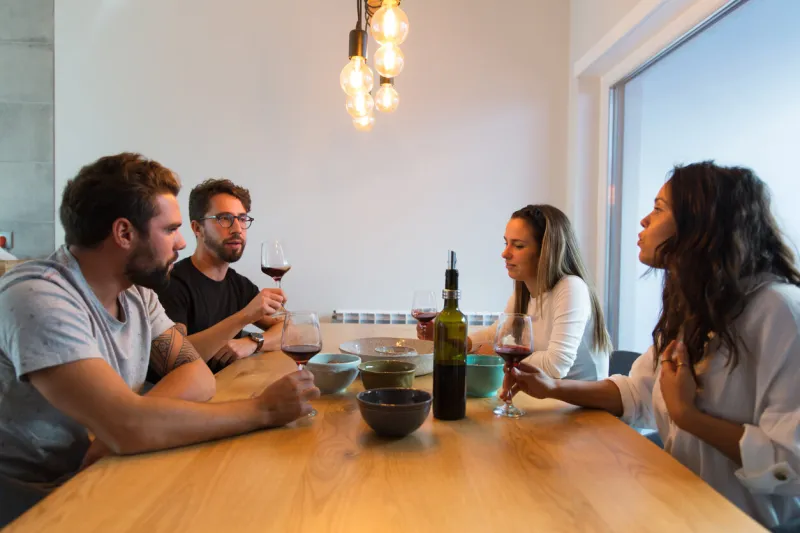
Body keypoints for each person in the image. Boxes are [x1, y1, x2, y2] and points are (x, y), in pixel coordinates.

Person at [0, 153, 318, 527]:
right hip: (32, 499)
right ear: (124, 233)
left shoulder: (138, 294)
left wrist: (127, 425)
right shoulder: (38, 296)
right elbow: (126, 426)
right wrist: (263, 410)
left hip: (103, 469)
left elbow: (197, 376)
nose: (181, 242)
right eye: (170, 230)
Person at [506, 162, 800, 530]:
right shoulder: (695, 307)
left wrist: (689, 417)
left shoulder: (780, 311)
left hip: (742, 522)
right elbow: (638, 392)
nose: (645, 220)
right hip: (679, 507)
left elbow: (792, 462)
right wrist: (552, 388)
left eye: (659, 209)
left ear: (701, 224)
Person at [418, 204, 611, 381]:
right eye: (506, 243)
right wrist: (451, 341)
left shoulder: (571, 288)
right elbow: (494, 335)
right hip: (549, 398)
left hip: (582, 404)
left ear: (546, 251)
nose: (505, 253)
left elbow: (556, 366)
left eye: (518, 246)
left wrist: (499, 354)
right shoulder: (525, 291)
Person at [151, 179, 284, 379]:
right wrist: (244, 316)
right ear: (197, 228)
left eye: (242, 219)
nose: (237, 229)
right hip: (185, 395)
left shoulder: (239, 285)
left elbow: (290, 330)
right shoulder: (172, 283)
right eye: (224, 218)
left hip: (229, 387)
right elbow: (174, 359)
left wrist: (253, 342)